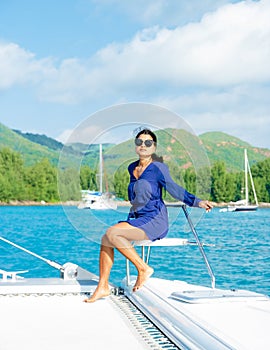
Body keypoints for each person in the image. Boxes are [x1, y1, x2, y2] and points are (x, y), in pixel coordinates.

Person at [84, 128, 213, 303]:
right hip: (137, 218)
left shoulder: (158, 168)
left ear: (154, 147)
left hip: (155, 219)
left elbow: (174, 189)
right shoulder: (132, 168)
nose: (143, 145)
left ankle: (143, 269)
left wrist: (197, 202)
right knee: (106, 238)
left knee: (112, 233)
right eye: (139, 142)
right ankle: (103, 286)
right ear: (135, 146)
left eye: (148, 143)